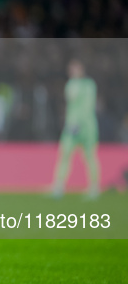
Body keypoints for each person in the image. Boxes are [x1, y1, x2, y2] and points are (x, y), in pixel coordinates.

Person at [51, 59, 100, 199]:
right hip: (75, 125)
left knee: (90, 156)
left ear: (81, 69)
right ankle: (59, 186)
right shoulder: (73, 84)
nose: (72, 71)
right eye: (70, 69)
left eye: (75, 69)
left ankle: (94, 187)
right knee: (65, 154)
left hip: (84, 126)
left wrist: (78, 123)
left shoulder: (87, 84)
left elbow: (84, 104)